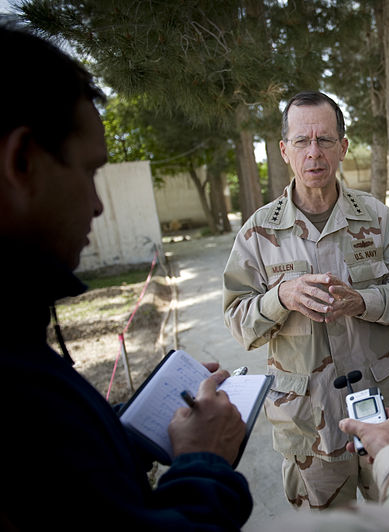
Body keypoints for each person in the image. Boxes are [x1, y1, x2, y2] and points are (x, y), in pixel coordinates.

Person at [0, 22, 252, 530]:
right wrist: (202, 463)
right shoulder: (16, 392)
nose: (96, 205)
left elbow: (72, 487)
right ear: (22, 160)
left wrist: (123, 426)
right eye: (90, 172)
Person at [222, 90, 389, 510]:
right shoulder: (258, 235)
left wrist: (362, 302)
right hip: (309, 421)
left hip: (384, 406)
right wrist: (281, 297)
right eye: (302, 141)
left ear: (343, 147)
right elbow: (238, 321)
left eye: (325, 140)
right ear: (284, 150)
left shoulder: (377, 217)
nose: (314, 153)